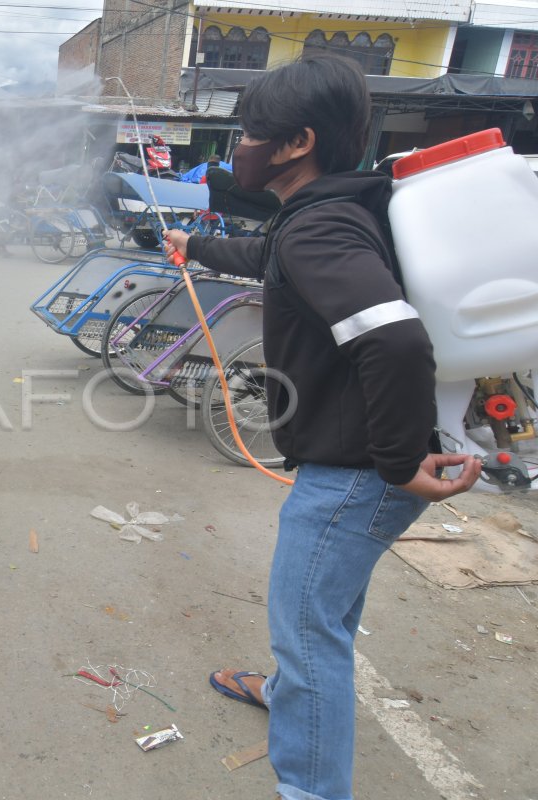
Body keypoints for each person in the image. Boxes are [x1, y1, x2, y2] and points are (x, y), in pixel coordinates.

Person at [163, 55, 481, 800]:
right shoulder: (331, 210)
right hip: (360, 467)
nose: (238, 147)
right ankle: (287, 696)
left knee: (308, 634)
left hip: (355, 473)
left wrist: (401, 462)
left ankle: (308, 785)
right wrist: (196, 246)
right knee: (322, 612)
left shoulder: (319, 226)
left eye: (249, 133)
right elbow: (273, 256)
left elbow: (394, 340)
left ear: (296, 142)